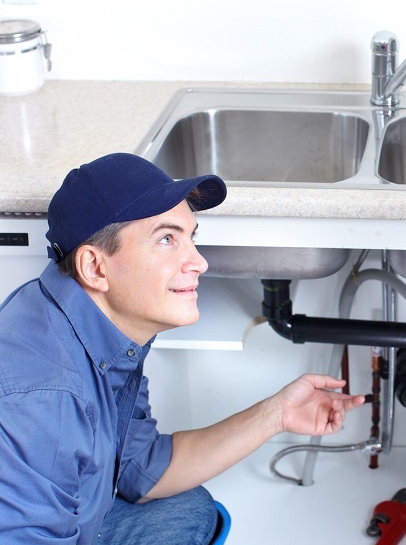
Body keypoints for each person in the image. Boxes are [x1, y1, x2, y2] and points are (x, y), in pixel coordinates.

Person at [0, 153, 365, 544]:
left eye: (192, 238)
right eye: (167, 239)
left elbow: (140, 469)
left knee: (190, 510)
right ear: (94, 267)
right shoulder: (42, 398)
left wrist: (276, 414)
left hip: (80, 514)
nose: (199, 262)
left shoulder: (105, 329)